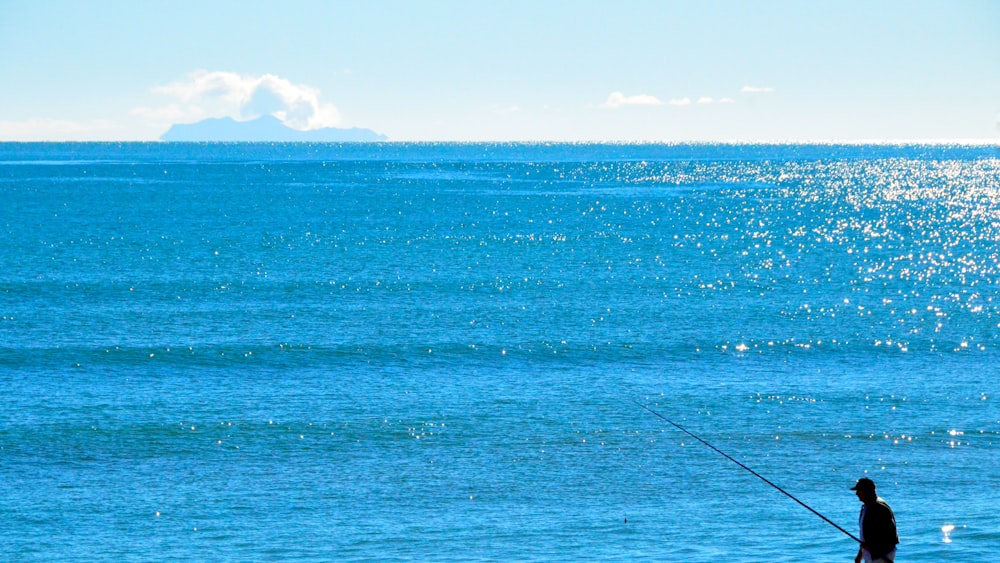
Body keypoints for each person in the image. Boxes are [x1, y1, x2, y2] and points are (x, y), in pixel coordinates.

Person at [852, 477, 899, 563]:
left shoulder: (879, 507)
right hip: (871, 556)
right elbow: (865, 536)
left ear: (866, 491)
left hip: (882, 555)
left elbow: (891, 536)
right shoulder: (865, 507)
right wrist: (859, 556)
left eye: (859, 490)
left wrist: (874, 547)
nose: (856, 493)